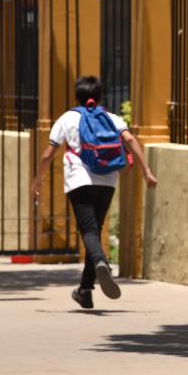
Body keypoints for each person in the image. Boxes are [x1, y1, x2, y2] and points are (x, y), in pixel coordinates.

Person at [31, 75, 157, 309]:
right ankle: (85, 290)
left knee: (88, 230)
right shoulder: (111, 118)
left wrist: (37, 181)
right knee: (95, 231)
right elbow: (130, 140)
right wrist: (146, 171)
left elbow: (48, 154)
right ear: (100, 97)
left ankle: (101, 262)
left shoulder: (68, 118)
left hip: (79, 180)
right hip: (108, 180)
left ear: (77, 96)